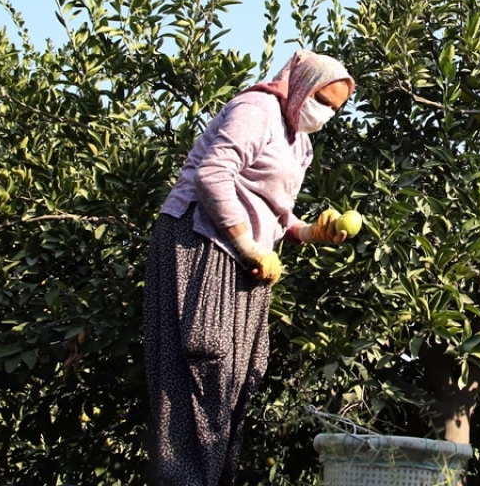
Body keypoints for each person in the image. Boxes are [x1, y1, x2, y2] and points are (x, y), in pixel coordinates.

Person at [143, 50, 355, 486]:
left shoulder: (300, 143)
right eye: (322, 100)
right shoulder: (256, 109)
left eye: (335, 109)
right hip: (203, 242)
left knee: (238, 379)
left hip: (246, 261)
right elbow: (213, 175)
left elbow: (278, 214)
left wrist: (312, 232)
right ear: (301, 86)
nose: (325, 114)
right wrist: (246, 245)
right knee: (202, 365)